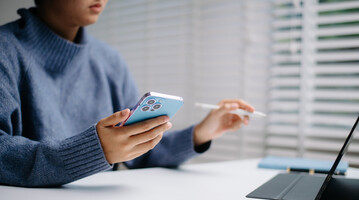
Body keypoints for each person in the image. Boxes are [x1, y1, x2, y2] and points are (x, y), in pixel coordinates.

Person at [0, 0, 254, 187]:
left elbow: (140, 150)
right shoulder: (5, 49)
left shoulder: (109, 60)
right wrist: (93, 150)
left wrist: (201, 133)